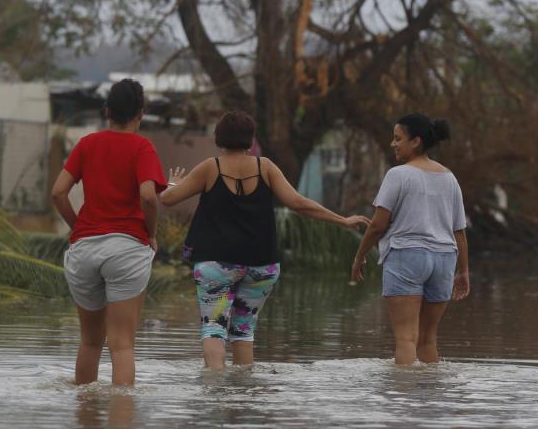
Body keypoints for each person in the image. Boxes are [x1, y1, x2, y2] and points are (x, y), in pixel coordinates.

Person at [160, 110, 370, 369]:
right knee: (243, 331)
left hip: (216, 265)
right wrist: (343, 220)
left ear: (219, 138)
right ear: (251, 139)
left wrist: (172, 184)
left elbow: (167, 200)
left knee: (213, 329)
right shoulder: (266, 167)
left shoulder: (210, 168)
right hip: (262, 266)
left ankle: (213, 397)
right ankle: (245, 394)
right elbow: (299, 203)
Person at [50, 79, 166, 386]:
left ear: (106, 111)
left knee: (90, 342)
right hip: (127, 249)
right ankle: (121, 428)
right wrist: (151, 233)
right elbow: (148, 196)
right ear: (140, 113)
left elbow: (58, 193)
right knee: (122, 344)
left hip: (85, 249)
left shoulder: (88, 144)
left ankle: (85, 419)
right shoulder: (142, 147)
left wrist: (80, 229)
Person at [350, 113, 470, 365]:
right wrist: (464, 271)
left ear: (415, 141)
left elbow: (377, 226)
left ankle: (403, 399)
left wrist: (359, 256)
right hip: (445, 259)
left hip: (407, 255)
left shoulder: (398, 175)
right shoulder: (450, 178)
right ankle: (430, 399)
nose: (393, 144)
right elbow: (459, 231)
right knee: (428, 339)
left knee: (406, 339)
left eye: (398, 138)